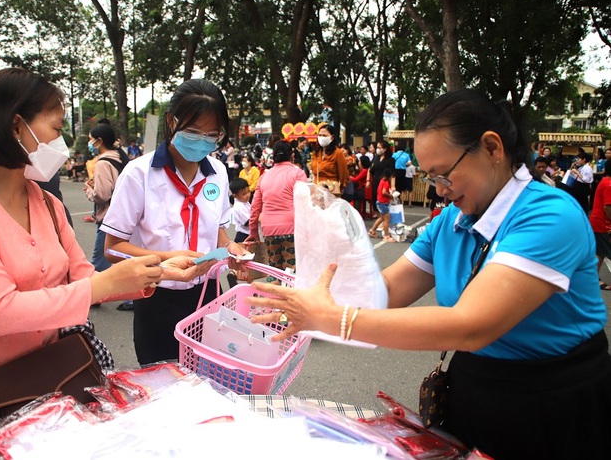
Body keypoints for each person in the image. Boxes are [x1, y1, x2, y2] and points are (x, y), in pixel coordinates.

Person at [248, 88, 611, 460]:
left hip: (553, 401)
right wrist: (302, 304)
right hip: (475, 386)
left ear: (491, 148)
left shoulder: (551, 217)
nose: (439, 191)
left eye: (444, 175)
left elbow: (471, 325)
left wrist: (334, 319)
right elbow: (386, 289)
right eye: (429, 177)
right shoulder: (452, 221)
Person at [0, 68, 198, 459]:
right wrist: (102, 286)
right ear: (17, 126)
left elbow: (82, 275)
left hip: (47, 394)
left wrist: (163, 272)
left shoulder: (47, 203)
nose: (62, 142)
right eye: (56, 127)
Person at [101, 78, 250, 366]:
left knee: (210, 382)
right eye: (193, 132)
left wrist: (231, 247)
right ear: (172, 122)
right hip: (157, 296)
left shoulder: (217, 171)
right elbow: (113, 248)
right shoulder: (138, 174)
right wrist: (169, 259)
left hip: (208, 295)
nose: (202, 141)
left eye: (212, 135)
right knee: (164, 385)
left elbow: (217, 231)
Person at [246, 140, 308, 277]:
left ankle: (272, 294)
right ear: (291, 155)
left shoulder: (264, 177)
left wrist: (253, 231)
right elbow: (305, 203)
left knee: (274, 271)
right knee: (291, 273)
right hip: (292, 228)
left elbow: (255, 207)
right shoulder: (298, 174)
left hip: (269, 230)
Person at [83, 123, 129, 273]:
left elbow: (101, 195)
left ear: (99, 141)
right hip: (123, 215)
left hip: (109, 218)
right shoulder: (120, 158)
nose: (89, 144)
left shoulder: (103, 163)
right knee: (125, 260)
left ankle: (96, 293)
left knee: (99, 263)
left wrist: (90, 190)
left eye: (91, 140)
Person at [310, 124, 349, 196]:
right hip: (316, 191)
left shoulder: (338, 153)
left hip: (331, 192)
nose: (321, 137)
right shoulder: (316, 152)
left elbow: (343, 176)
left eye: (324, 135)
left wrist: (339, 189)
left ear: (332, 137)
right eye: (320, 135)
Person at [590, 162, 611, 291]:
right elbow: (608, 207)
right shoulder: (609, 184)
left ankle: (593, 279)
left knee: (600, 252)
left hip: (598, 221)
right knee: (601, 252)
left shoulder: (604, 181)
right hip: (603, 223)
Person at [367, 168, 396, 242]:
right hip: (383, 203)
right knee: (386, 220)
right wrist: (391, 196)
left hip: (379, 201)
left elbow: (379, 191)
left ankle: (372, 230)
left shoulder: (381, 181)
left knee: (381, 218)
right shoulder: (386, 183)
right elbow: (384, 192)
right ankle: (386, 236)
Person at [368, 140, 395, 218]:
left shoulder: (390, 160)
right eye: (377, 147)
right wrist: (368, 180)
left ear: (385, 149)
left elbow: (393, 173)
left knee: (382, 201)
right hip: (375, 181)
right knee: (374, 200)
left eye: (379, 148)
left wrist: (393, 186)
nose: (378, 149)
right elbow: (370, 169)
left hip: (384, 182)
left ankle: (383, 219)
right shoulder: (376, 157)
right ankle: (379, 217)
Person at [229, 178, 251, 243]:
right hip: (243, 235)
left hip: (248, 234)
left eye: (248, 191)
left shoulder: (245, 202)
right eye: (244, 194)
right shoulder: (239, 207)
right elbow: (248, 222)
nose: (247, 195)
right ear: (235, 196)